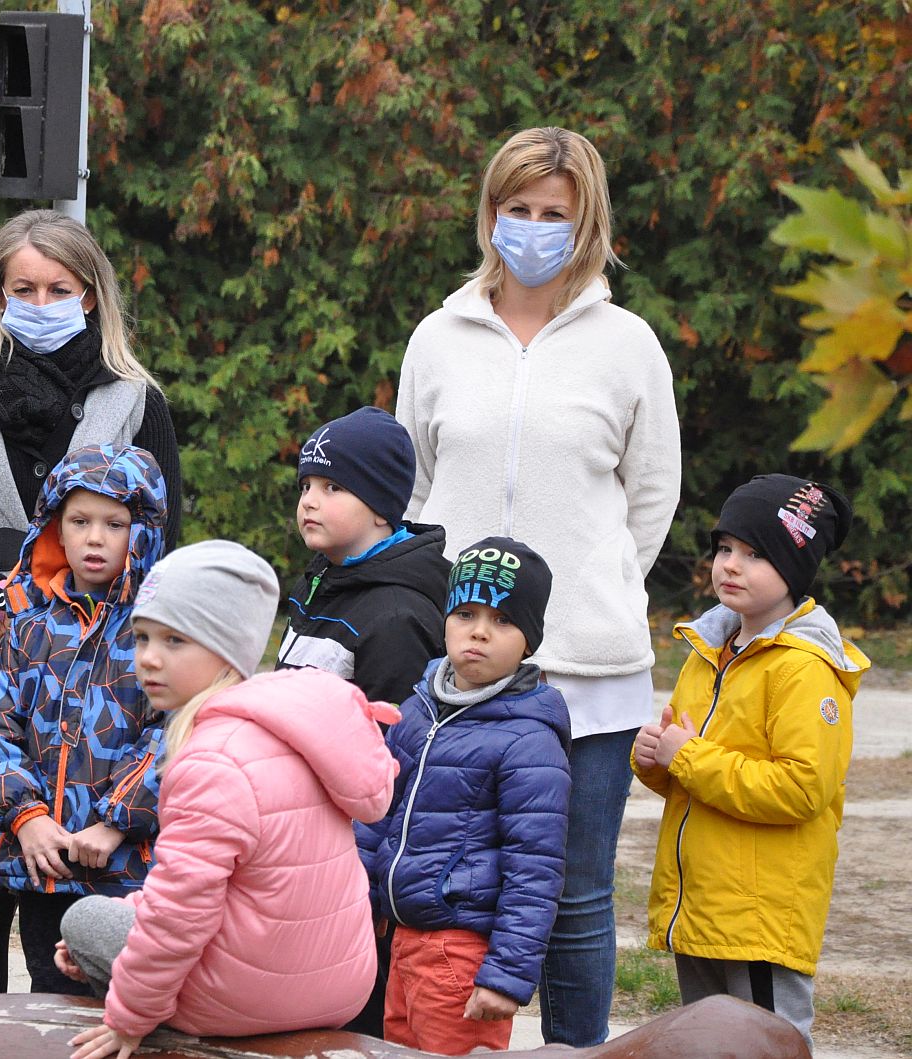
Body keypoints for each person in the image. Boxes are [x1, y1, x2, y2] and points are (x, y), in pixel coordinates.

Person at [394, 125, 680, 1046]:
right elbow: (415, 485)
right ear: (489, 215)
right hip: (465, 670)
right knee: (455, 881)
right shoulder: (438, 338)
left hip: (588, 674)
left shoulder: (629, 344)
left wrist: (598, 589)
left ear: (586, 222)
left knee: (575, 891)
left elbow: (651, 494)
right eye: (517, 209)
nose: (532, 227)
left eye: (553, 213)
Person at [0, 209, 180, 997]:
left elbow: (167, 538)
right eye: (22, 286)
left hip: (103, 685)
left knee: (72, 917)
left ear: (90, 295)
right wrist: (11, 597)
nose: (40, 298)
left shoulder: (134, 400)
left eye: (59, 287)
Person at [56, 540, 401, 1059]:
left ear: (227, 649)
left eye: (175, 640)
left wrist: (129, 1019)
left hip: (248, 998)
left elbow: (179, 914)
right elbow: (217, 886)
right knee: (120, 919)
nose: (148, 657)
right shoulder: (293, 727)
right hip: (338, 984)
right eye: (142, 636)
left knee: (82, 921)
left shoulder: (212, 760)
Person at [632, 475, 866, 1050]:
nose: (731, 565)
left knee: (763, 1044)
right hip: (706, 906)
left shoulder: (803, 669)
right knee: (707, 1042)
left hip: (760, 919)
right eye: (726, 548)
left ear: (795, 567)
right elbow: (696, 769)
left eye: (756, 554)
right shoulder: (710, 651)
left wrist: (688, 757)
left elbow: (800, 789)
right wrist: (656, 763)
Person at [357, 537, 571, 1054]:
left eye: (502, 620)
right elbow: (375, 814)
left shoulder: (528, 740)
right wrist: (356, 900)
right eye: (466, 613)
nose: (479, 631)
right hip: (402, 941)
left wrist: (505, 976)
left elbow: (534, 868)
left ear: (529, 641)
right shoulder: (416, 710)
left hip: (463, 955)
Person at [274, 404, 448, 1036]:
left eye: (333, 487)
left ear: (381, 507)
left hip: (360, 858)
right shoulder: (327, 582)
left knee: (353, 1022)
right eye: (305, 486)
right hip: (308, 836)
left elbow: (393, 757)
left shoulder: (399, 612)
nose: (310, 501)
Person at [0, 443, 168, 994]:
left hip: (127, 870)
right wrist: (27, 818)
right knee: (51, 1000)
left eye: (115, 523)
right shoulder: (29, 628)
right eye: (79, 521)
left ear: (143, 531)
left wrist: (115, 823)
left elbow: (177, 730)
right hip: (44, 871)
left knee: (127, 1004)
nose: (95, 537)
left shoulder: (158, 632)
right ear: (56, 528)